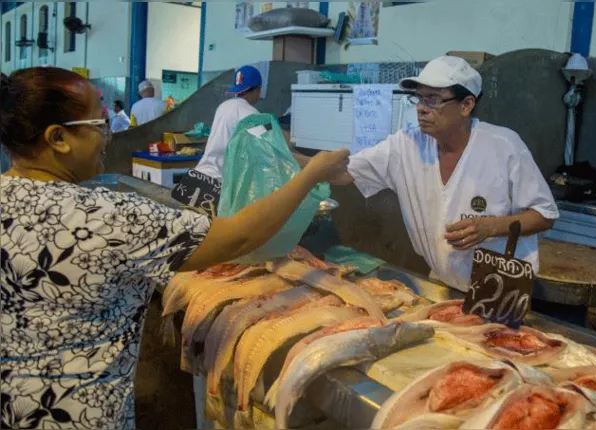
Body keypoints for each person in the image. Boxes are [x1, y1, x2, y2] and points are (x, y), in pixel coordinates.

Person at [0, 67, 349, 429]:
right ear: (58, 138)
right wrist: (312, 175)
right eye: (100, 124)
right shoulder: (106, 216)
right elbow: (240, 238)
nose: (108, 136)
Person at [333, 56, 559, 292]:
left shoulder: (504, 147)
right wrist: (296, 162)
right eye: (419, 98)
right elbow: (344, 173)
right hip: (443, 281)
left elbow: (544, 215)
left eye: (433, 100)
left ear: (466, 105)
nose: (421, 108)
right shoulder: (406, 145)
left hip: (499, 291)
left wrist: (491, 227)